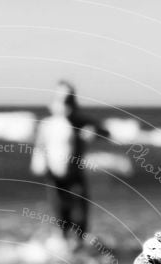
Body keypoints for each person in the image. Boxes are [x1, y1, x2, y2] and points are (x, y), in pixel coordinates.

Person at [30, 81, 109, 251]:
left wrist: (94, 132)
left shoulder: (80, 122)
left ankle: (79, 255)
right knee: (60, 219)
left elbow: (106, 132)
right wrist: (38, 162)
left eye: (69, 100)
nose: (66, 105)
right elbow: (40, 146)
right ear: (54, 102)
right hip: (54, 178)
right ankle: (63, 256)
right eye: (62, 100)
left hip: (75, 178)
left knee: (80, 220)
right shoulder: (47, 124)